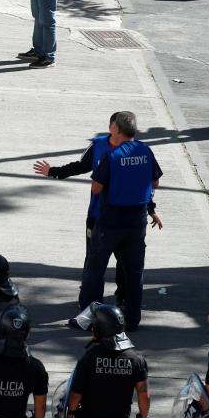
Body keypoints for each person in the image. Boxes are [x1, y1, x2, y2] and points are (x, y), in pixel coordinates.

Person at [78, 111, 162, 331]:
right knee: (134, 273)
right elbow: (155, 182)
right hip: (137, 221)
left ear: (116, 128)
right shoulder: (145, 151)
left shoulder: (112, 155)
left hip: (110, 220)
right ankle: (132, 318)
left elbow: (96, 188)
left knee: (95, 270)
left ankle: (89, 318)